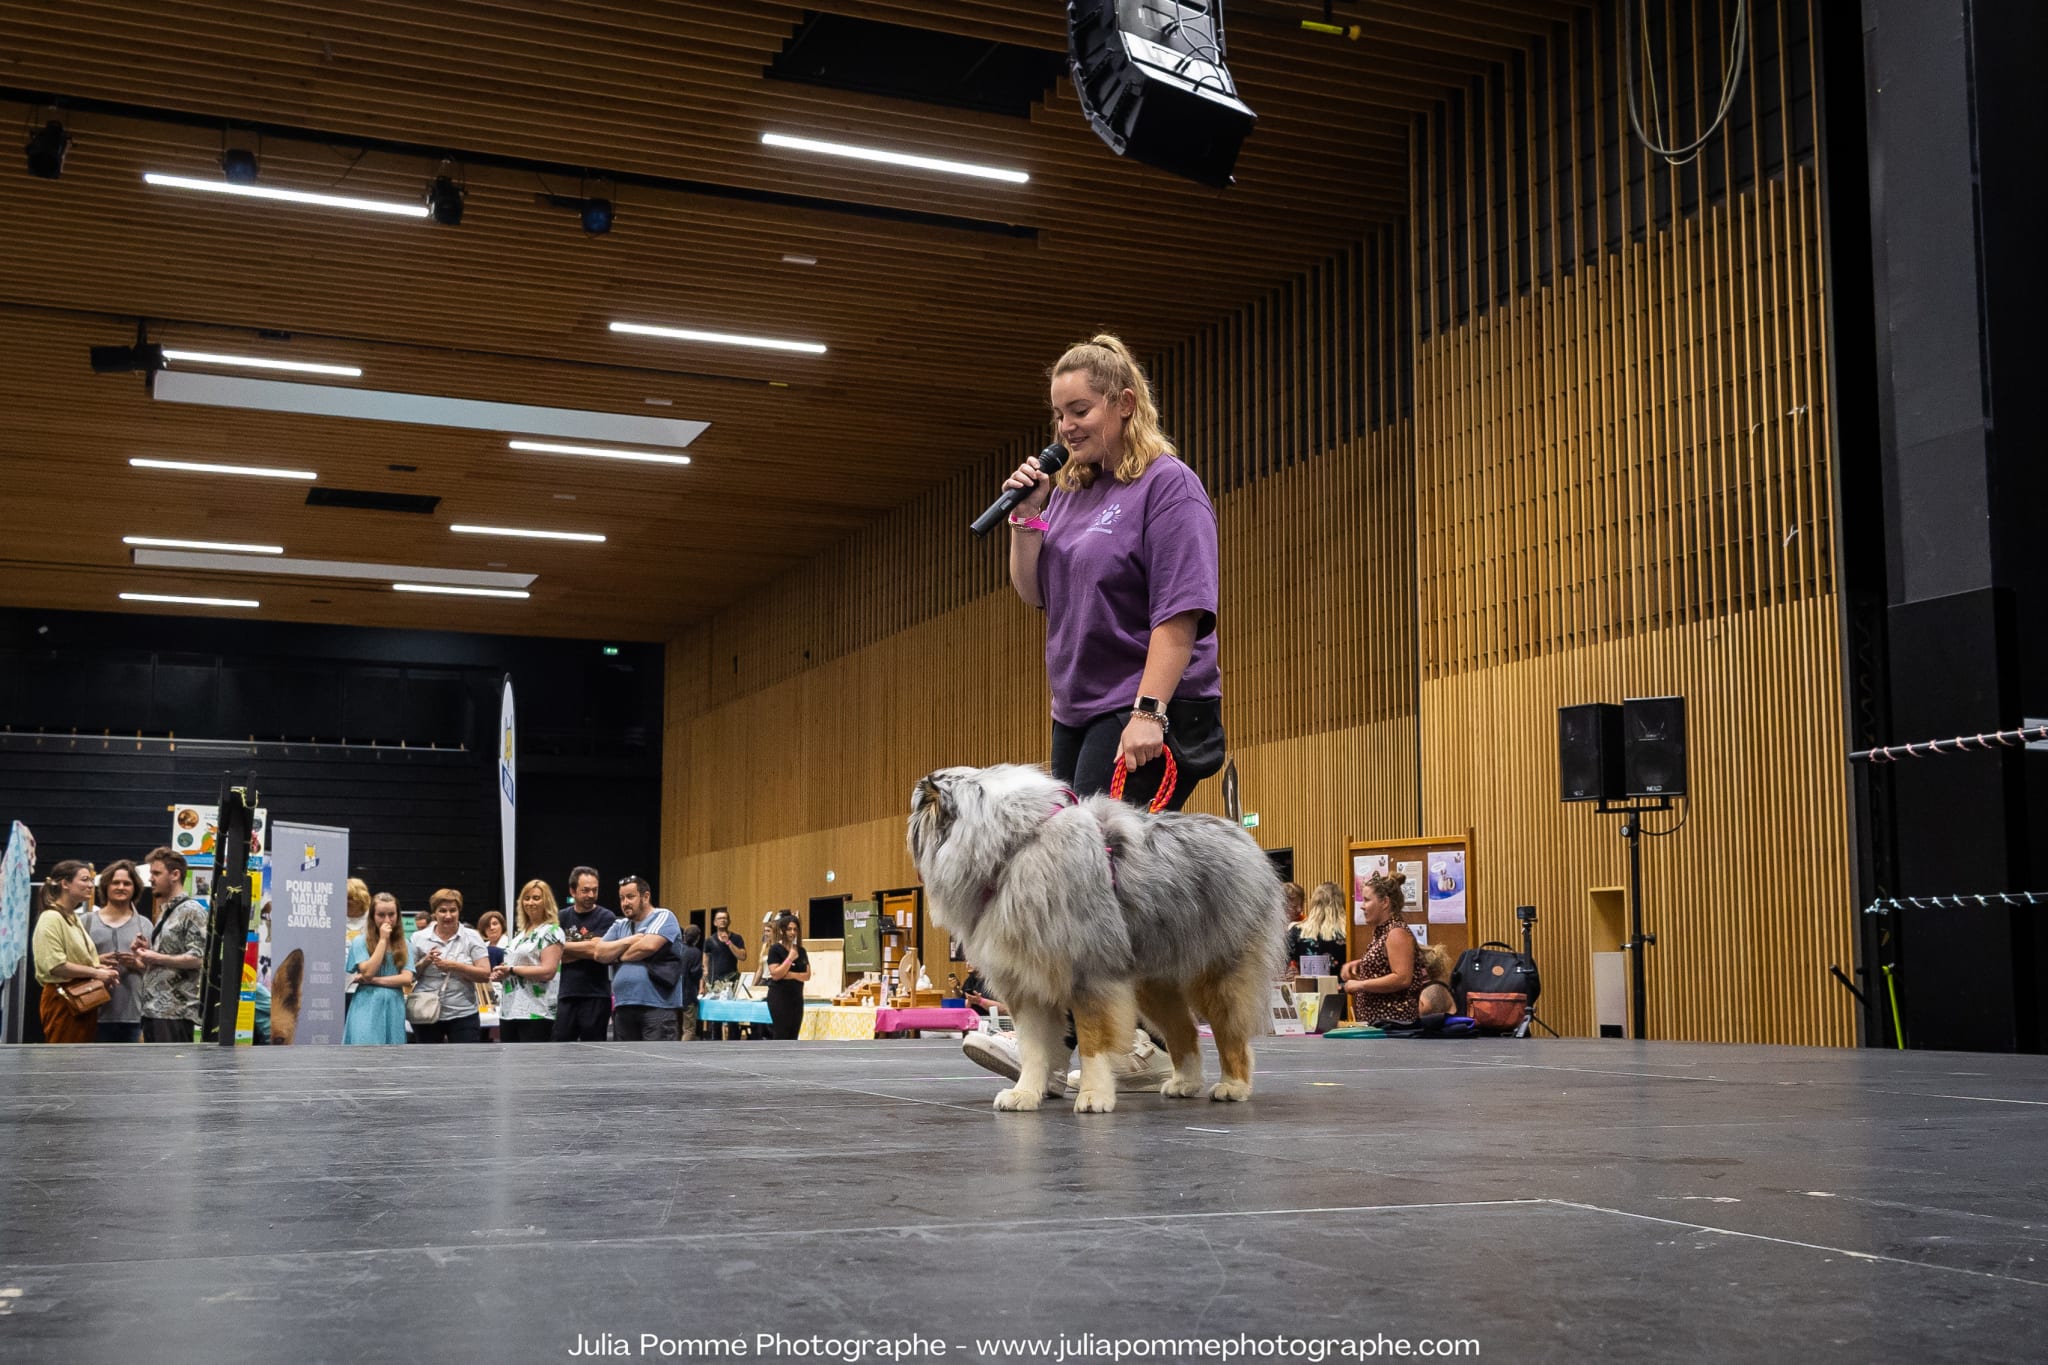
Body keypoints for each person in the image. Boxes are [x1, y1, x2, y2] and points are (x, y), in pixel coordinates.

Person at [966, 332, 1225, 1094]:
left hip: (1148, 710)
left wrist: (1150, 710)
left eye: (1078, 409)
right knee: (1088, 883)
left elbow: (1181, 611)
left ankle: (1088, 1044)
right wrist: (1028, 517)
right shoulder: (1071, 490)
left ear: (1123, 403)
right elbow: (1035, 592)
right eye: (1056, 414)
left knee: (1086, 883)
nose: (1065, 426)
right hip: (1078, 710)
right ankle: (1121, 1037)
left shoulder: (1168, 486)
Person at [590, 876, 684, 1041]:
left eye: (630, 897)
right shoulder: (620, 925)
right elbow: (599, 953)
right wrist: (630, 940)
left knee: (656, 1064)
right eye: (622, 898)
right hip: (623, 1006)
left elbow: (647, 946)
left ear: (645, 897)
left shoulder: (663, 916)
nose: (625, 903)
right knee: (627, 1065)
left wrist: (617, 956)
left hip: (657, 1007)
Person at [32, 860, 117, 1043]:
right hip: (64, 1000)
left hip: (81, 998)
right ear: (65, 883)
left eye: (91, 880)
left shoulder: (70, 916)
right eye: (85, 879)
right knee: (64, 1060)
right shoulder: (51, 918)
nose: (90, 885)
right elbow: (55, 965)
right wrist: (96, 972)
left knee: (79, 1059)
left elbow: (71, 956)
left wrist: (98, 965)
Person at [134, 847, 206, 1043]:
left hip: (175, 1012)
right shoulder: (167, 911)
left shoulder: (192, 910)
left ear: (175, 874)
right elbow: (163, 959)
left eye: (156, 873)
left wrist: (156, 957)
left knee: (171, 1072)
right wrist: (144, 951)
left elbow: (199, 958)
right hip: (154, 1010)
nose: (151, 879)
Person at [1339, 870, 1427, 1025]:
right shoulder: (1384, 932)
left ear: (1385, 902)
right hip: (1380, 1024)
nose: (1362, 906)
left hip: (1394, 1025)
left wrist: (1360, 985)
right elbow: (1389, 961)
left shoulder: (1396, 932)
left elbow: (1402, 978)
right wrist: (1361, 963)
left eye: (1367, 900)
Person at [407, 888, 491, 1042]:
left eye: (453, 910)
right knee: (428, 1063)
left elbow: (485, 974)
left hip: (463, 1013)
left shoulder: (472, 937)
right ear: (434, 913)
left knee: (465, 1063)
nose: (448, 915)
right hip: (425, 1013)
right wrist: (425, 962)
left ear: (459, 911)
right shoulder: (418, 938)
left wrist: (455, 966)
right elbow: (409, 977)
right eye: (442, 911)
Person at [83, 860, 150, 1042]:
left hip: (133, 1016)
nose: (121, 887)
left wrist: (135, 963)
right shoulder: (86, 922)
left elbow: (154, 970)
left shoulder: (144, 925)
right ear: (105, 886)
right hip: (91, 1012)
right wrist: (97, 962)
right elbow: (70, 964)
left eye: (127, 883)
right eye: (115, 882)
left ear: (135, 888)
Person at [550, 866, 617, 1042]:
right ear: (572, 891)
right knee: (561, 1048)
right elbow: (553, 953)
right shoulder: (561, 917)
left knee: (593, 1053)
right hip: (567, 994)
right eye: (585, 890)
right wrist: (588, 947)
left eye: (595, 890)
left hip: (596, 995)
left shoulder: (606, 917)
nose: (591, 895)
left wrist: (564, 946)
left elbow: (598, 951)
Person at [496, 879, 565, 1042]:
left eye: (536, 898)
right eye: (526, 898)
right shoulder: (519, 935)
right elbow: (512, 967)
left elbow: (548, 971)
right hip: (509, 1011)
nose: (530, 902)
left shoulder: (552, 932)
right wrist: (502, 973)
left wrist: (512, 970)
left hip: (536, 1012)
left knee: (532, 1065)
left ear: (546, 901)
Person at [342, 894, 411, 1044]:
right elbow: (367, 972)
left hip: (394, 1006)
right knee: (365, 1049)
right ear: (372, 916)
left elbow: (406, 978)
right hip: (366, 1004)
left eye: (391, 914)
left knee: (393, 1055)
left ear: (398, 916)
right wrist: (383, 940)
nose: (387, 920)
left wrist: (374, 980)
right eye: (381, 915)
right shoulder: (360, 942)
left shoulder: (404, 943)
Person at [1283, 881, 1350, 981]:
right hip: (1344, 992)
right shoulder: (1349, 933)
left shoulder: (1297, 931)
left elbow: (1284, 965)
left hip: (1307, 993)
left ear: (1314, 903)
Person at [762, 912, 810, 1041]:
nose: (792, 932)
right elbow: (776, 975)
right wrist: (790, 958)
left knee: (794, 1034)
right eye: (789, 929)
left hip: (796, 998)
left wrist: (790, 974)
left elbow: (807, 975)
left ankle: (792, 1060)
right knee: (781, 1034)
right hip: (779, 998)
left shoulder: (801, 951)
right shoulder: (775, 949)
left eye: (795, 929)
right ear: (783, 930)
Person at [700, 907, 746, 1041]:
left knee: (732, 1016)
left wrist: (729, 943)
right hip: (715, 982)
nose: (723, 921)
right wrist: (703, 984)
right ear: (714, 922)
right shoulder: (709, 941)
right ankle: (716, 1043)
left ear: (729, 921)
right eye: (720, 919)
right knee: (716, 1017)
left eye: (725, 918)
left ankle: (733, 1042)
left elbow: (743, 956)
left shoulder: (737, 938)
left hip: (732, 980)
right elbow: (705, 963)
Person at [676, 924, 704, 1041]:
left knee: (676, 1028)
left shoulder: (677, 949)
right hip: (689, 994)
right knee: (689, 1029)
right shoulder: (696, 952)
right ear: (698, 938)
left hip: (674, 994)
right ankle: (683, 1053)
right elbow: (695, 973)